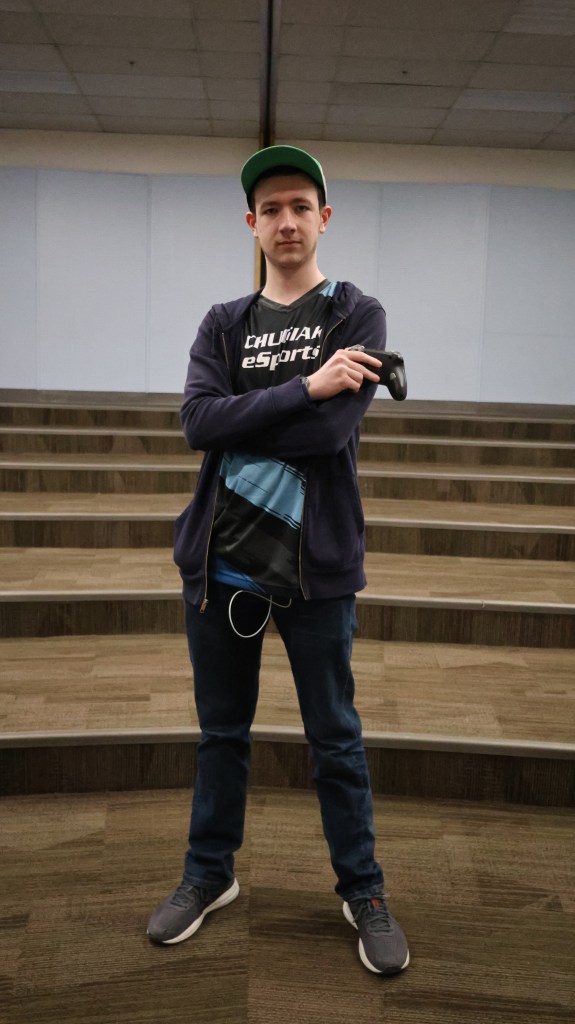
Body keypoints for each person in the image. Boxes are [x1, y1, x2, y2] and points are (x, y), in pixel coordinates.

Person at [147, 145, 410, 976]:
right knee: (220, 734)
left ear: (322, 218)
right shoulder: (224, 323)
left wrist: (250, 414)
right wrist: (304, 387)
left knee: (334, 737)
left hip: (313, 570)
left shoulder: (354, 314)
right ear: (251, 224)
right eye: (271, 209)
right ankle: (208, 873)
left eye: (300, 206)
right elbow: (198, 423)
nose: (286, 221)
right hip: (221, 562)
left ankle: (362, 889)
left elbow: (329, 435)